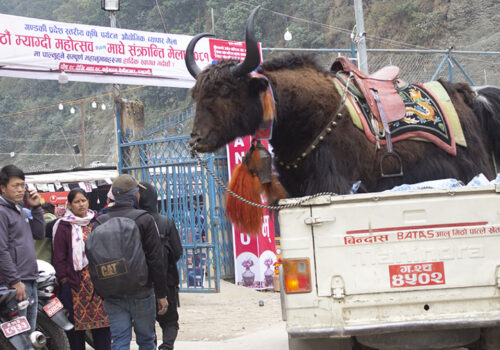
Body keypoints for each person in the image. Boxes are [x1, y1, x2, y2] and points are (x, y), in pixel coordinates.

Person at [100, 174, 168, 350]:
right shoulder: (144, 219)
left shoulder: (100, 221)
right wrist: (161, 294)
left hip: (112, 291)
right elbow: (155, 259)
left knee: (120, 340)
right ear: (133, 195)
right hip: (142, 289)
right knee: (146, 340)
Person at [52, 188, 111, 350]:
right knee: (75, 330)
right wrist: (65, 279)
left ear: (88, 201)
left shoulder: (96, 221)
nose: (81, 205)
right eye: (76, 202)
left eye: (83, 200)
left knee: (103, 327)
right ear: (70, 205)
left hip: (98, 285)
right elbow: (59, 256)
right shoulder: (64, 226)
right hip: (75, 286)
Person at [0, 164, 45, 331]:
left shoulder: (20, 210)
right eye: (15, 186)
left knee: (29, 334)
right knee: (18, 339)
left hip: (29, 279)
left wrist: (37, 207)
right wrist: (15, 281)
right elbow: (1, 250)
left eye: (22, 185)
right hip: (14, 284)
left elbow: (39, 234)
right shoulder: (2, 212)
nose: (20, 190)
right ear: (3, 188)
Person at [138, 182, 180, 350]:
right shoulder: (165, 222)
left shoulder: (135, 221)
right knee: (170, 321)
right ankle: (167, 346)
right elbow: (177, 251)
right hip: (166, 279)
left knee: (146, 323)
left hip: (142, 281)